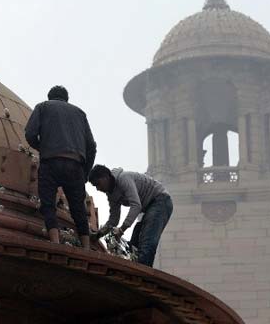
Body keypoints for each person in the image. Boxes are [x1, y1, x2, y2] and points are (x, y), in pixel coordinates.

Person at [24, 85, 97, 249]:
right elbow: (91, 145)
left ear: (50, 97)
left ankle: (55, 242)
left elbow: (29, 133)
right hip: (75, 164)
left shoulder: (43, 107)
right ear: (67, 99)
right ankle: (86, 247)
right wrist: (84, 172)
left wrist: (43, 148)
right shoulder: (79, 113)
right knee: (78, 208)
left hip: (51, 162)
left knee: (48, 203)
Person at [88, 164, 173, 267]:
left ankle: (143, 275)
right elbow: (114, 219)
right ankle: (137, 268)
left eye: (98, 184)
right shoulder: (111, 194)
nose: (98, 188)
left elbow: (136, 206)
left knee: (147, 243)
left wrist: (121, 230)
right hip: (149, 208)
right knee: (133, 245)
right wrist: (98, 234)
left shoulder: (124, 179)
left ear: (105, 176)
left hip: (161, 201)